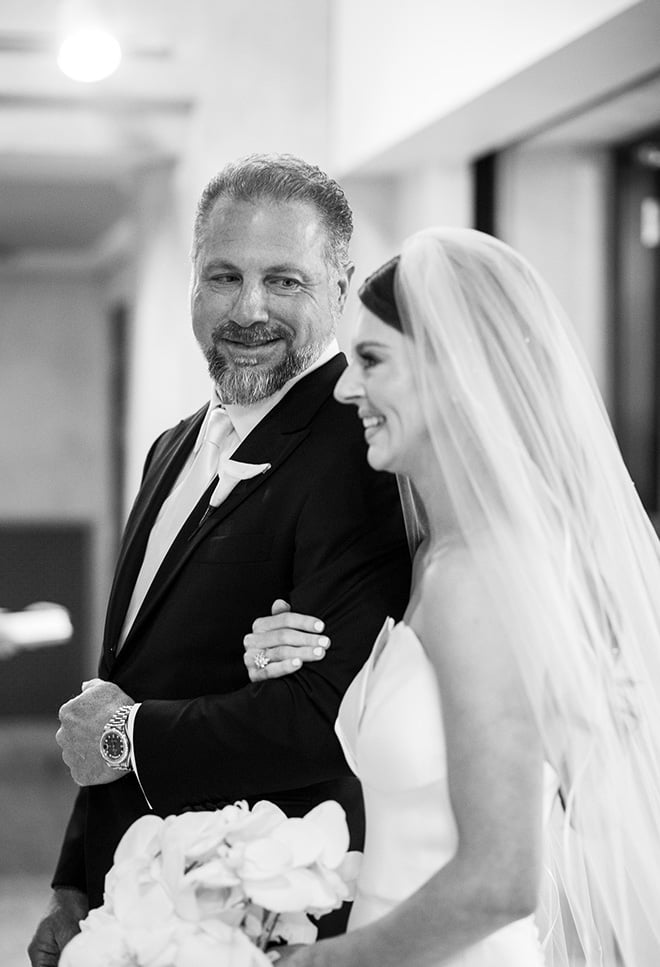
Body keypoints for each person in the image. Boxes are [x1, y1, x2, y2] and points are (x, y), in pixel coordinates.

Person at [29, 154, 411, 966]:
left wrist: (127, 738)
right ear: (192, 283)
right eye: (224, 275)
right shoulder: (171, 447)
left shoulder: (361, 455)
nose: (248, 308)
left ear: (340, 288)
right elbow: (118, 685)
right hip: (130, 895)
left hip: (260, 909)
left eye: (285, 281)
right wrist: (75, 880)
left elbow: (321, 716)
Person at [246, 227, 660, 966]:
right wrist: (288, 657)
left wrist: (323, 962)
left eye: (371, 360)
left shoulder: (479, 579)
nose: (345, 386)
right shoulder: (437, 553)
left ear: (455, 373)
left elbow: (503, 880)